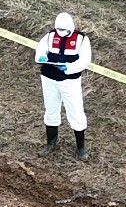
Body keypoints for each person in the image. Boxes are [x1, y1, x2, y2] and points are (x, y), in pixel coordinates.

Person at [34, 11, 93, 160]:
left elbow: (85, 60)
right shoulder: (50, 36)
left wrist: (69, 67)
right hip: (49, 79)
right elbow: (40, 49)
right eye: (59, 30)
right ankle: (51, 143)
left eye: (64, 31)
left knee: (76, 112)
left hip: (70, 82)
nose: (60, 34)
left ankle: (81, 148)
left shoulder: (81, 39)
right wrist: (41, 56)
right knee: (51, 110)